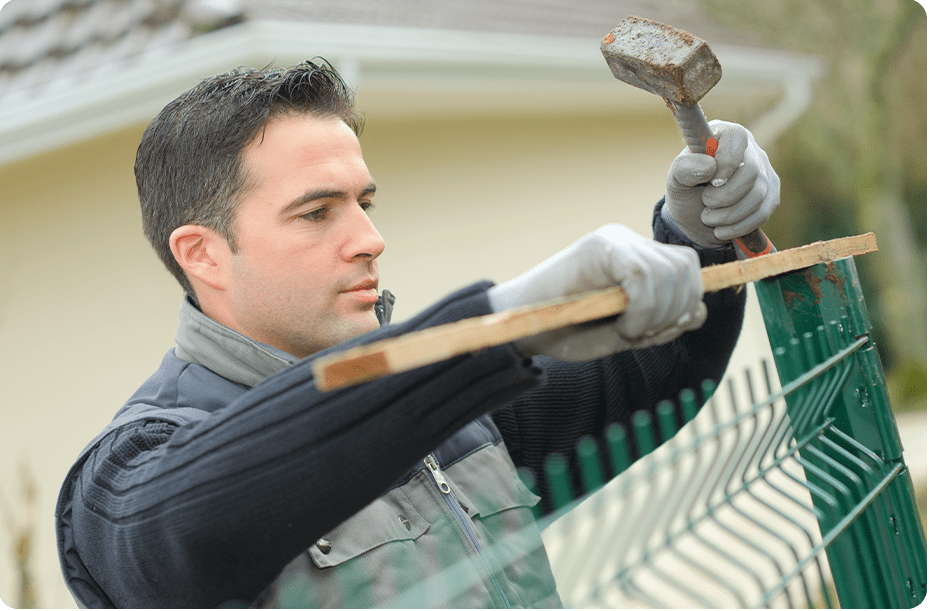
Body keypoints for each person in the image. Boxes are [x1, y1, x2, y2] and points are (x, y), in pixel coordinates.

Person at [55, 59, 779, 608]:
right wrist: (488, 331)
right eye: (317, 213)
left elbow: (653, 382)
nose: (369, 237)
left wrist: (693, 237)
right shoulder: (129, 473)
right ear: (202, 254)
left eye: (363, 203)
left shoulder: (455, 411)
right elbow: (196, 517)